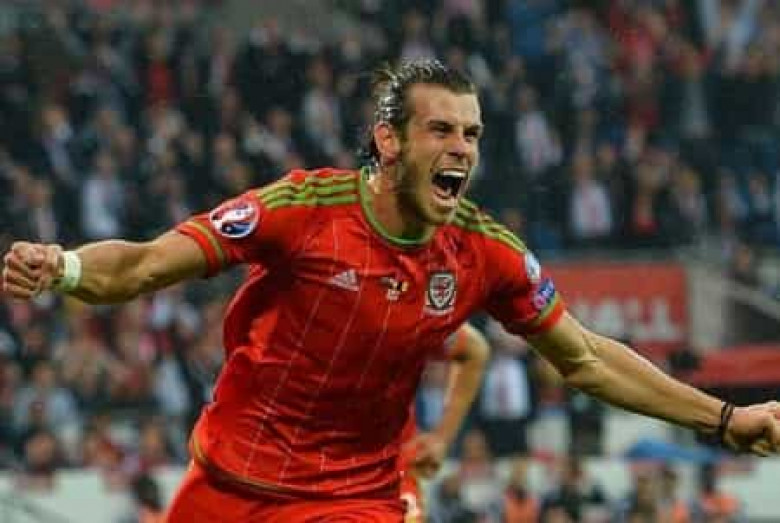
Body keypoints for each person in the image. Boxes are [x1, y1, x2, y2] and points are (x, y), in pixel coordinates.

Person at [3, 59, 780, 521]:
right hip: (230, 483)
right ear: (389, 140)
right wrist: (61, 266)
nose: (461, 148)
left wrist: (723, 417)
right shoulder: (303, 210)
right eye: (441, 130)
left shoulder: (484, 251)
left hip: (355, 499)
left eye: (472, 134)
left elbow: (586, 358)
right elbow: (141, 266)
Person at [399, 322, 490, 523]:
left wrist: (442, 438)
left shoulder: (402, 320)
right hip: (337, 484)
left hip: (394, 478)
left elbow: (475, 350)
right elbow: (476, 350)